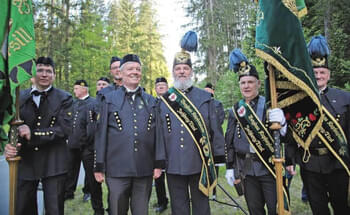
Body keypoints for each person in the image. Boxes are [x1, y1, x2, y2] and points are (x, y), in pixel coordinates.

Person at [156, 31, 225, 215]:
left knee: (201, 206)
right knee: (178, 207)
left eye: (185, 69)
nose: (182, 72)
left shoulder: (205, 97)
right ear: (173, 72)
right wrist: (160, 160)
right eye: (178, 69)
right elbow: (160, 133)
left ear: (191, 71)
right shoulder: (165, 100)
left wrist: (217, 158)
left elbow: (214, 129)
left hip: (199, 162)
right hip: (173, 162)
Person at [286, 35, 350, 215]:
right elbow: (292, 133)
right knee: (318, 208)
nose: (319, 76)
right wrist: (290, 159)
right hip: (310, 164)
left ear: (329, 75)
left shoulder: (345, 98)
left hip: (338, 163)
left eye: (323, 73)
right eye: (315, 73)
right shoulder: (299, 100)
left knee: (342, 207)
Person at [94, 54, 163, 215]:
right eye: (131, 68)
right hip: (116, 169)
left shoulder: (151, 101)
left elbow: (158, 134)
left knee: (141, 211)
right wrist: (99, 166)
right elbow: (101, 134)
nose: (135, 72)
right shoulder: (108, 99)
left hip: (144, 168)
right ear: (121, 72)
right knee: (117, 210)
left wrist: (158, 164)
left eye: (138, 69)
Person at [4, 56, 73, 215]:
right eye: (40, 70)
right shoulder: (19, 98)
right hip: (26, 161)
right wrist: (10, 144)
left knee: (55, 208)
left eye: (49, 71)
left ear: (54, 75)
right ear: (32, 74)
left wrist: (33, 134)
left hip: (54, 162)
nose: (44, 74)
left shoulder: (65, 98)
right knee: (22, 207)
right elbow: (11, 127)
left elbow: (64, 129)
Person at [224, 49, 287, 215]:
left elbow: (285, 138)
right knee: (255, 210)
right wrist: (230, 167)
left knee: (275, 209)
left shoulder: (270, 104)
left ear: (258, 84)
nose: (246, 86)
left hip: (269, 167)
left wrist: (283, 123)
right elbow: (229, 141)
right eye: (243, 82)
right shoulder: (235, 111)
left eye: (250, 82)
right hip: (247, 170)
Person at [65, 80, 104, 214]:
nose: (74, 91)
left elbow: (94, 125)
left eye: (76, 88)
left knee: (92, 179)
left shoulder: (93, 103)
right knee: (69, 172)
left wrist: (88, 142)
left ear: (84, 89)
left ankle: (98, 208)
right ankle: (68, 193)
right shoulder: (73, 104)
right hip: (72, 146)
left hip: (87, 147)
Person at [203, 83, 225, 199]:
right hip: (202, 140)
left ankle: (214, 191)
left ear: (212, 92)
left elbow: (220, 120)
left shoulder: (218, 104)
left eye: (209, 91)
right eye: (204, 91)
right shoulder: (200, 104)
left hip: (214, 140)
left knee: (214, 166)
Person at [153, 77, 169, 213]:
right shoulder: (151, 103)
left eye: (163, 85)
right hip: (157, 145)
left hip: (172, 144)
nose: (161, 87)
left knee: (175, 176)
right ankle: (162, 201)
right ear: (155, 89)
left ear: (167, 87)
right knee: (158, 176)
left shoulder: (175, 103)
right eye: (158, 86)